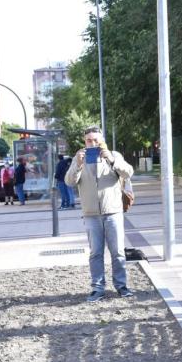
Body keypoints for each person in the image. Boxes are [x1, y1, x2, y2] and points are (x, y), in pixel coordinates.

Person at [66, 126, 135, 301]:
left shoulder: (114, 155)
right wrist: (79, 165)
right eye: (89, 140)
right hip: (91, 214)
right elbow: (69, 181)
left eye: (96, 140)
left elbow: (129, 172)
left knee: (118, 252)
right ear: (84, 141)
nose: (93, 143)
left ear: (102, 140)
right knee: (95, 253)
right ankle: (97, 288)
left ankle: (122, 286)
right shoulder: (79, 157)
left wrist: (111, 160)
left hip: (113, 212)